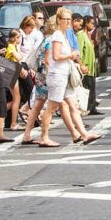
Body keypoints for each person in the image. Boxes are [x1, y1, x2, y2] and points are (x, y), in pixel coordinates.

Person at [37, 8, 100, 148]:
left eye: (68, 19)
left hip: (64, 75)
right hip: (57, 75)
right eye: (64, 19)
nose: (67, 21)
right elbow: (56, 56)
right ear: (58, 20)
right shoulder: (58, 35)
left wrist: (74, 54)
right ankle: (44, 137)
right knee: (51, 108)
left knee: (73, 106)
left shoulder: (65, 35)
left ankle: (84, 134)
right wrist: (71, 56)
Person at [78, 15, 101, 116]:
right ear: (86, 23)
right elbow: (79, 51)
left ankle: (92, 107)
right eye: (91, 23)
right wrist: (81, 64)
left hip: (91, 67)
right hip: (85, 66)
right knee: (86, 87)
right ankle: (86, 107)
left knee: (92, 87)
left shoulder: (88, 35)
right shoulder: (81, 34)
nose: (93, 25)